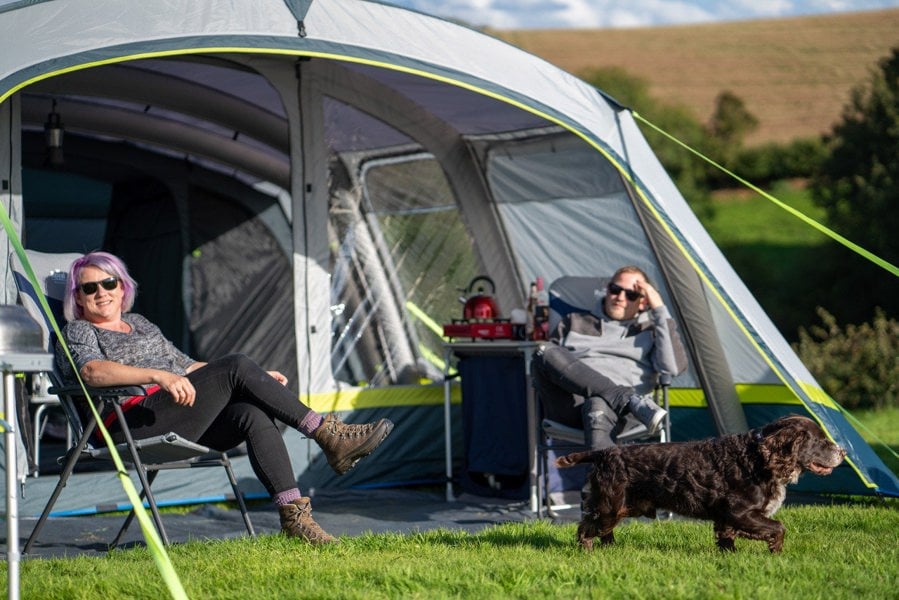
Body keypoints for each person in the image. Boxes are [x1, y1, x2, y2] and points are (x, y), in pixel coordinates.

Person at [57, 251, 394, 545]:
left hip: (174, 413)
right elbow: (91, 373)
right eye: (90, 287)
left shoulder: (141, 324)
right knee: (236, 365)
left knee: (250, 411)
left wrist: (258, 380)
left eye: (109, 283)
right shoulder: (78, 330)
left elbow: (189, 367)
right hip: (129, 422)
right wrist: (157, 375)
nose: (101, 292)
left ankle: (296, 519)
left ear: (122, 287)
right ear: (79, 297)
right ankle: (327, 434)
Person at [533, 265, 688, 452]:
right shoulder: (573, 321)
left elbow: (672, 368)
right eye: (615, 289)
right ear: (607, 290)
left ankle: (604, 477)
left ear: (642, 302)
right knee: (544, 351)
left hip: (625, 416)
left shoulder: (651, 331)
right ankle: (624, 398)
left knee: (598, 403)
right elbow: (552, 362)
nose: (620, 297)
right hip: (570, 407)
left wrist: (659, 309)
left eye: (631, 294)